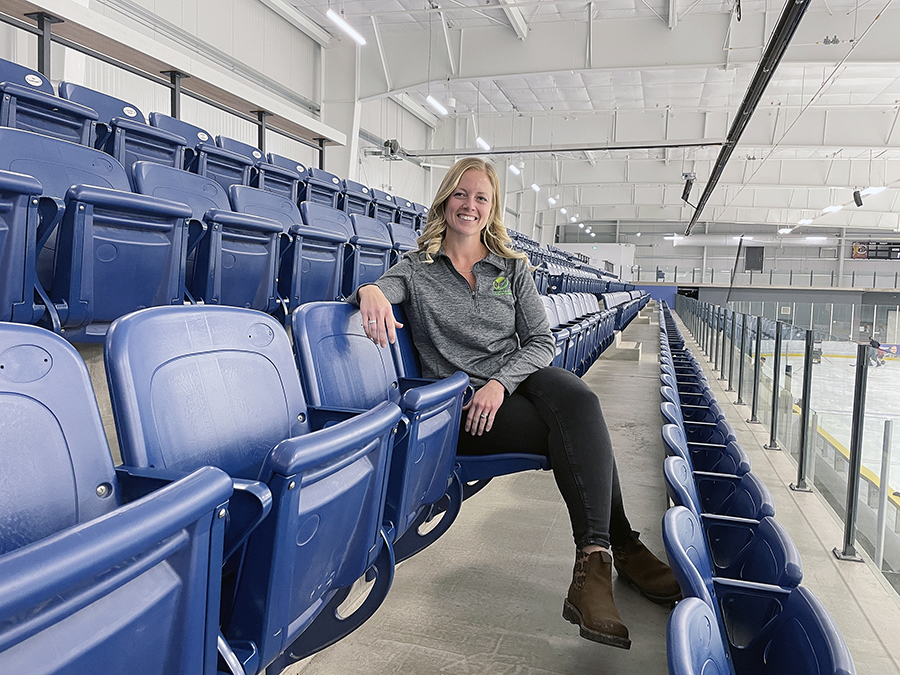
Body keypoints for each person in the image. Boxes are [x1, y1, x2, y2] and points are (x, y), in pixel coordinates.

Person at [350, 157, 679, 650]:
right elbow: (382, 289)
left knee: (580, 400)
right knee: (573, 434)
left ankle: (595, 561)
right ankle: (618, 550)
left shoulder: (511, 266)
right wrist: (370, 290)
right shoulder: (417, 269)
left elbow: (542, 341)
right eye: (462, 194)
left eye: (481, 198)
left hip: (512, 383)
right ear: (445, 200)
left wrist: (501, 383)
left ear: (492, 208)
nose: (470, 206)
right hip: (463, 409)